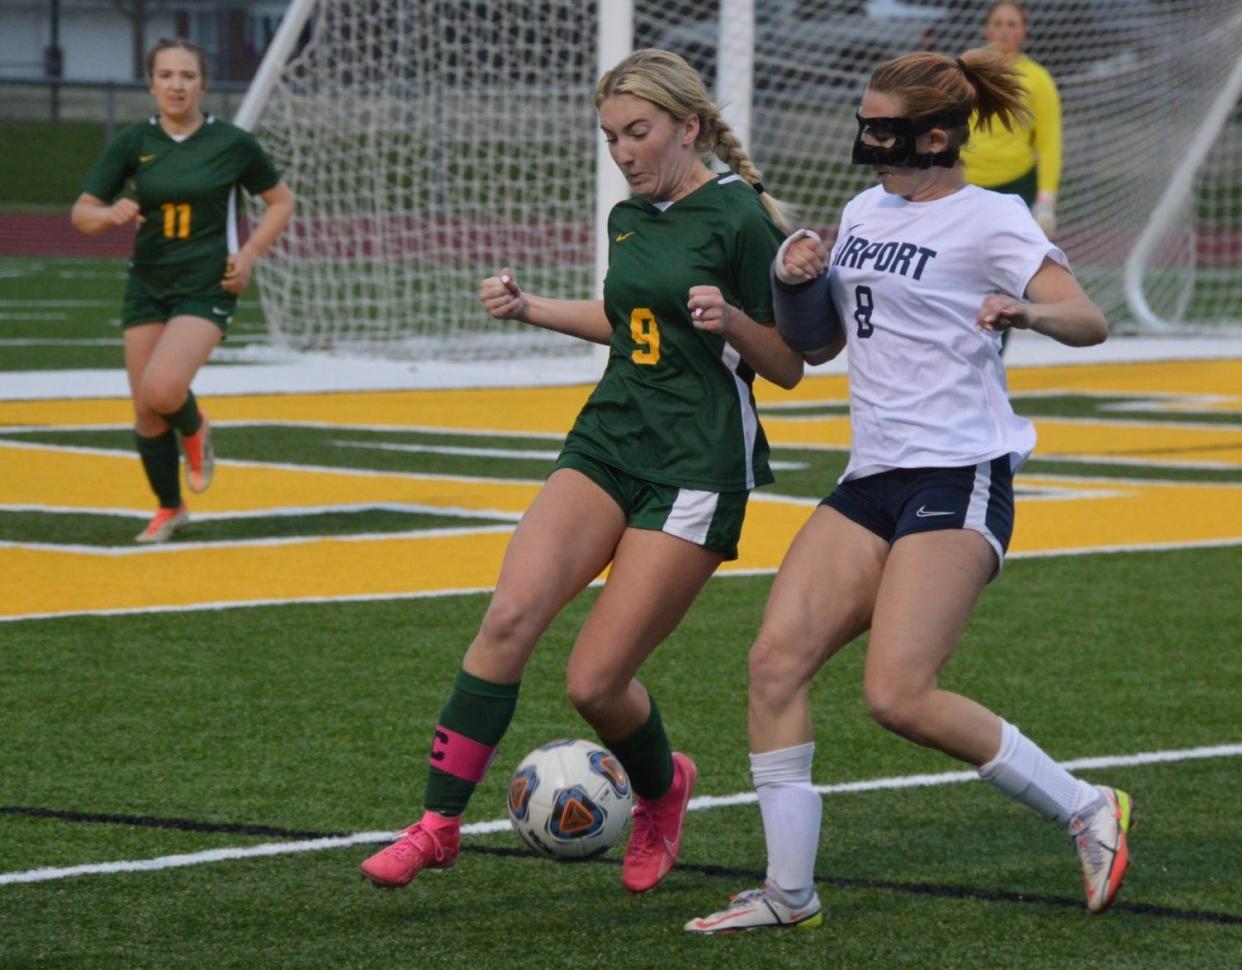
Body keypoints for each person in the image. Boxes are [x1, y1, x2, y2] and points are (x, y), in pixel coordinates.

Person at [685, 48, 1130, 935]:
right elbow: (817, 349)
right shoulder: (862, 209)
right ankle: (789, 893)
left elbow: (1090, 319)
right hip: (872, 477)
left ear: (934, 136)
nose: (866, 140)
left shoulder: (991, 219)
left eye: (881, 127)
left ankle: (1087, 806)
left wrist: (1027, 312)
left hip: (958, 473)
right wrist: (795, 279)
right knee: (774, 664)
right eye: (865, 121)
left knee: (898, 694)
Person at [359, 48, 804, 897]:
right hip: (607, 439)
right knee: (508, 616)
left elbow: (790, 364)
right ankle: (438, 825)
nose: (623, 152)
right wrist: (529, 309)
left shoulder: (744, 219)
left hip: (696, 466)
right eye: (610, 137)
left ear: (689, 126)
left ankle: (663, 788)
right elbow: (628, 320)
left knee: (595, 682)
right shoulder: (628, 217)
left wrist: (735, 321)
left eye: (638, 132)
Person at [71, 38, 294, 543]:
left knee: (163, 389)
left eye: (187, 76)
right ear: (151, 83)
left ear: (203, 84)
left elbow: (280, 203)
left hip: (206, 284)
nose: (176, 85)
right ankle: (170, 508)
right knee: (145, 409)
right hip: (147, 283)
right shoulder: (133, 143)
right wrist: (108, 213)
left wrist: (251, 253)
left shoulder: (232, 144)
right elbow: (82, 213)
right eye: (166, 75)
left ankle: (195, 429)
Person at [961, 2, 1062, 355]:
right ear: (987, 29)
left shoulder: (1038, 80)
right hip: (966, 186)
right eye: (998, 23)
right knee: (962, 270)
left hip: (1014, 187)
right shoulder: (968, 72)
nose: (1004, 30)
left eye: (1012, 24)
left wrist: (1046, 200)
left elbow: (1049, 143)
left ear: (1023, 31)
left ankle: (992, 353)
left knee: (1005, 278)